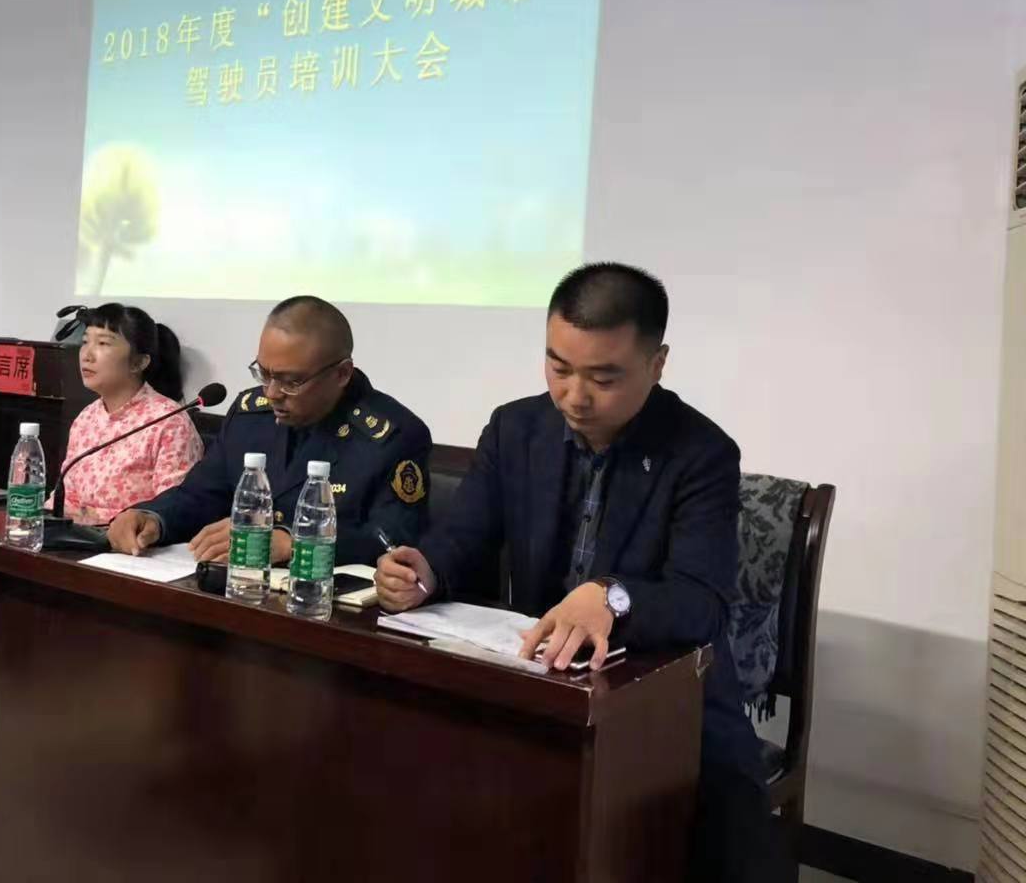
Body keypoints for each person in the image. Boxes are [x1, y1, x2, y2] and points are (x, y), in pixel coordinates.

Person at [375, 263, 790, 883]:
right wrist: (425, 571)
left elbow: (702, 604)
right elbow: (465, 538)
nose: (574, 396)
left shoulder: (701, 453)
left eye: (603, 377)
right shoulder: (516, 428)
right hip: (542, 678)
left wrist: (613, 597)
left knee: (718, 839)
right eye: (558, 367)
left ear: (657, 363)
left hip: (666, 694)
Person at [108, 296, 432, 567]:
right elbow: (201, 495)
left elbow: (394, 540)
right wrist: (154, 517)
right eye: (264, 374)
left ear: (342, 374)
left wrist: (295, 543)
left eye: (292, 381)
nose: (272, 392)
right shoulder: (250, 416)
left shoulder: (392, 437)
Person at [55, 304, 203, 524]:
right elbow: (67, 497)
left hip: (132, 542)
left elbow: (171, 511)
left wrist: (99, 519)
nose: (87, 355)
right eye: (85, 342)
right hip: (76, 537)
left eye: (103, 343)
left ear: (138, 362)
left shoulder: (169, 423)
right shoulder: (86, 417)